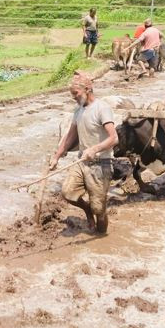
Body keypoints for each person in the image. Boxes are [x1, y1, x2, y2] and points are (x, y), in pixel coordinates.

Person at [49, 72, 118, 234]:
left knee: (99, 209)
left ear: (88, 89)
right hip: (82, 162)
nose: (73, 97)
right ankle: (87, 211)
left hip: (101, 164)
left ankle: (101, 237)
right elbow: (70, 135)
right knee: (67, 192)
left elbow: (114, 138)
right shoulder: (78, 110)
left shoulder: (102, 108)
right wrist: (57, 156)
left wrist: (94, 149)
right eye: (72, 94)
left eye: (75, 93)